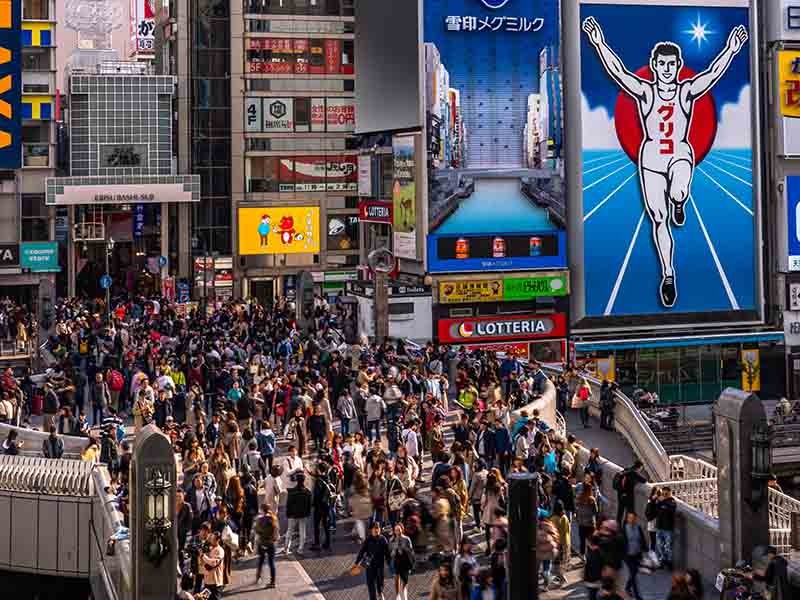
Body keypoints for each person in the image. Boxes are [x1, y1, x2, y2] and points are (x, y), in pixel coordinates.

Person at [583, 16, 748, 307]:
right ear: (655, 65)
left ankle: (680, 201)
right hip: (651, 159)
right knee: (658, 219)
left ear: (678, 65)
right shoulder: (646, 92)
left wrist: (731, 50)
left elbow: (711, 75)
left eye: (673, 65)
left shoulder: (686, 92)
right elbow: (618, 72)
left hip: (680, 154)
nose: (668, 70)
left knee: (679, 191)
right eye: (663, 65)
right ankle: (668, 274)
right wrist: (599, 43)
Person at [353, 521, 391, 600]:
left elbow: (387, 554)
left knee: (380, 582)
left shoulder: (383, 540)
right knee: (370, 584)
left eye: (378, 528)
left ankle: (380, 593)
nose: (377, 530)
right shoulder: (368, 539)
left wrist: (390, 565)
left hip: (380, 565)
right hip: (369, 565)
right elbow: (362, 551)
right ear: (371, 530)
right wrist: (356, 563)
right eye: (375, 528)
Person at [621, 511, 648, 600]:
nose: (631, 520)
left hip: (637, 554)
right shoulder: (624, 528)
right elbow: (621, 542)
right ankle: (637, 596)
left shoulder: (638, 527)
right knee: (633, 574)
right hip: (628, 555)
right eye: (630, 518)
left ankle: (627, 587)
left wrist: (645, 550)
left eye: (633, 518)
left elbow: (642, 539)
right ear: (627, 519)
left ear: (636, 519)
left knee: (634, 572)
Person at [284, 472, 312, 556]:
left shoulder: (292, 492)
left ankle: (286, 548)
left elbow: (288, 504)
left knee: (290, 531)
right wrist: (307, 513)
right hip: (303, 514)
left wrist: (288, 513)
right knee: (302, 531)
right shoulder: (307, 492)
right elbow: (309, 505)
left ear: (296, 480)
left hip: (292, 514)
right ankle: (300, 549)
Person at [254, 504, 279, 589]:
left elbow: (257, 530)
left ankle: (258, 577)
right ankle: (273, 582)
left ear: (262, 510)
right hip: (271, 543)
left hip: (262, 543)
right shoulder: (274, 518)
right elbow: (276, 531)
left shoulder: (260, 519)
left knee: (261, 561)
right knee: (271, 563)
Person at [389, 523, 414, 600]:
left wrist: (404, 550)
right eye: (396, 530)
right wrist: (393, 552)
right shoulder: (392, 540)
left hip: (405, 562)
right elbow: (389, 552)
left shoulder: (406, 539)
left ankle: (404, 595)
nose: (397, 532)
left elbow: (411, 551)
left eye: (398, 530)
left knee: (405, 581)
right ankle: (398, 596)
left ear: (402, 530)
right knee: (396, 579)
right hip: (396, 562)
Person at [655, 486, 677, 570]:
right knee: (659, 545)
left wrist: (663, 501)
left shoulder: (672, 501)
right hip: (659, 527)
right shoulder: (660, 501)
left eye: (666, 494)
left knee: (668, 547)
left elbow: (671, 509)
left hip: (668, 528)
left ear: (669, 493)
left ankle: (669, 562)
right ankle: (662, 561)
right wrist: (659, 502)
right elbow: (656, 508)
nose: (664, 495)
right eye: (663, 494)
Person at [200, 532, 225, 600]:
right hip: (207, 581)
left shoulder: (220, 550)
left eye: (213, 539)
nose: (211, 540)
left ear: (218, 540)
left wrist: (203, 556)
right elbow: (202, 563)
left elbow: (213, 563)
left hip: (215, 582)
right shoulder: (209, 549)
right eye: (211, 539)